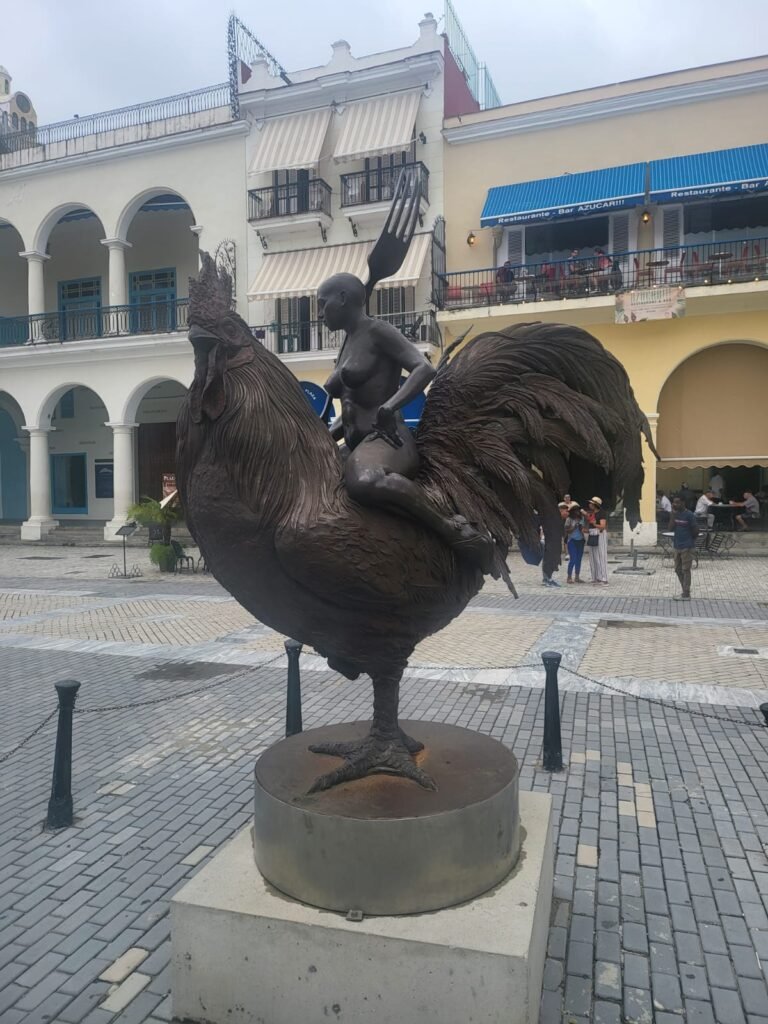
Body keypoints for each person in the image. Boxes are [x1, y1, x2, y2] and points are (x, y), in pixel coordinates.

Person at [321, 273, 494, 571]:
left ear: (343, 298)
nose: (320, 313)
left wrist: (389, 407)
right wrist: (322, 435)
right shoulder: (347, 343)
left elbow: (423, 369)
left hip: (388, 440)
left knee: (365, 479)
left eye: (323, 305)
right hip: (356, 444)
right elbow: (349, 407)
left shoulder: (378, 331)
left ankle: (454, 529)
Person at [671, 496, 698, 600]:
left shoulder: (689, 515)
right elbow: (670, 527)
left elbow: (695, 530)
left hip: (687, 546)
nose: (675, 504)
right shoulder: (675, 514)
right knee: (678, 569)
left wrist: (690, 541)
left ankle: (686, 593)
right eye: (674, 503)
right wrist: (672, 515)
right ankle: (684, 589)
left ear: (683, 503)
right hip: (677, 545)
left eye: (677, 502)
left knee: (685, 569)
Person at [542, 503, 569, 587]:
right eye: (566, 511)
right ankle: (547, 579)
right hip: (550, 543)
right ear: (560, 510)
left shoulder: (560, 520)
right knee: (549, 561)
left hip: (556, 543)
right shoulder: (553, 520)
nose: (567, 513)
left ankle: (549, 578)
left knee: (554, 561)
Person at [585, 497, 608, 584]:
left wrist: (594, 523)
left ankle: (604, 578)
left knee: (601, 556)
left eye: (591, 503)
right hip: (592, 534)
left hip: (599, 534)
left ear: (595, 505)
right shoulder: (592, 513)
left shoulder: (601, 513)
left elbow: (602, 526)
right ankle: (595, 577)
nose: (589, 504)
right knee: (593, 557)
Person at [564, 502, 586, 583]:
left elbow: (583, 529)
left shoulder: (582, 518)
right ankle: (569, 577)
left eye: (578, 510)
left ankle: (577, 577)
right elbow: (567, 530)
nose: (577, 512)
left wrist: (581, 528)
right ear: (572, 511)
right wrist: (574, 527)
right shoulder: (569, 519)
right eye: (575, 510)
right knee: (573, 559)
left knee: (578, 559)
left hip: (580, 540)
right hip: (572, 540)